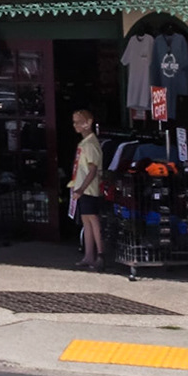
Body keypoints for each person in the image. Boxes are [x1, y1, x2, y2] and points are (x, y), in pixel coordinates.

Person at [69, 109, 105, 269]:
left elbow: (93, 169)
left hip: (88, 190)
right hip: (82, 188)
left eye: (79, 121)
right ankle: (89, 255)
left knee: (92, 221)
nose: (75, 125)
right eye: (74, 122)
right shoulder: (85, 143)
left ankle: (100, 254)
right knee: (87, 222)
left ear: (88, 123)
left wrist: (81, 189)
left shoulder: (90, 143)